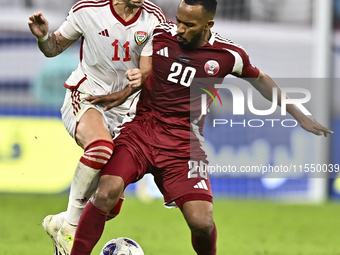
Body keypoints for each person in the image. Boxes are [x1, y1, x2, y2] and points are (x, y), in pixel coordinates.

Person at [70, 0, 334, 254]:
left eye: (189, 25)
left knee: (202, 222)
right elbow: (133, 64)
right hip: (140, 132)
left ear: (209, 24)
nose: (180, 29)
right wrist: (120, 91)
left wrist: (300, 115)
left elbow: (261, 80)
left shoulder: (229, 55)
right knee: (106, 192)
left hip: (184, 146)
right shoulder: (159, 34)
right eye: (179, 21)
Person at [28, 0, 166, 254]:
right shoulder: (88, 10)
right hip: (86, 96)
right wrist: (44, 37)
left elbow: (146, 69)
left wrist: (142, 77)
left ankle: (60, 221)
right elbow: (53, 47)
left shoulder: (153, 18)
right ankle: (69, 228)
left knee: (108, 204)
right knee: (101, 147)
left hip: (126, 109)